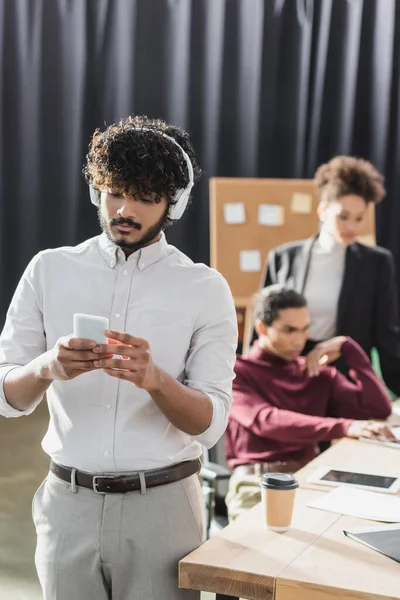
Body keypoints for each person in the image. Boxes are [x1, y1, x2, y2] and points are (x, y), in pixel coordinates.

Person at [0, 115, 238, 599]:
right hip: (67, 506)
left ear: (175, 202)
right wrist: (48, 366)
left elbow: (210, 422)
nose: (124, 210)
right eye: (114, 192)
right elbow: (8, 396)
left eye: (146, 198)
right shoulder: (48, 269)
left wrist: (156, 380)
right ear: (96, 190)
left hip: (165, 510)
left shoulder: (205, 288)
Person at [226, 286, 394, 521]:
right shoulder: (236, 372)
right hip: (257, 481)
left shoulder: (316, 372)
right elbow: (266, 420)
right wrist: (344, 426)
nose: (300, 339)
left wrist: (349, 348)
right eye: (289, 330)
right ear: (262, 328)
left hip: (311, 478)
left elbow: (378, 409)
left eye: (305, 329)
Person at [255, 155, 400, 394]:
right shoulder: (283, 257)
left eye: (359, 218)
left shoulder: (377, 264)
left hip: (343, 381)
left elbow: (387, 336)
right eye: (343, 217)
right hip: (287, 377)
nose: (352, 227)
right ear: (322, 210)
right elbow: (263, 324)